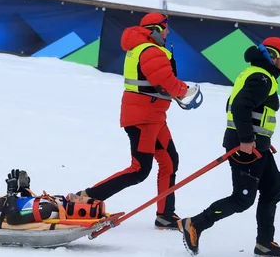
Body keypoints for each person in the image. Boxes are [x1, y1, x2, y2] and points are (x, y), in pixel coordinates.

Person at [69, 12, 203, 230]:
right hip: (144, 118)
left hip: (153, 115)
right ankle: (87, 197)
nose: (168, 32)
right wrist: (184, 90)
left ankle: (165, 215)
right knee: (139, 170)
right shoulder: (151, 50)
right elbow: (165, 80)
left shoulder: (142, 47)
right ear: (156, 29)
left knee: (169, 161)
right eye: (165, 28)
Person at [179, 37, 280, 257]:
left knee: (274, 189)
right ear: (273, 56)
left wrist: (257, 137)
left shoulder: (259, 74)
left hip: (257, 145)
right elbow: (240, 106)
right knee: (242, 199)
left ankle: (264, 242)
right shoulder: (261, 78)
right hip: (246, 147)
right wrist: (247, 138)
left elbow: (242, 106)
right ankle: (195, 224)